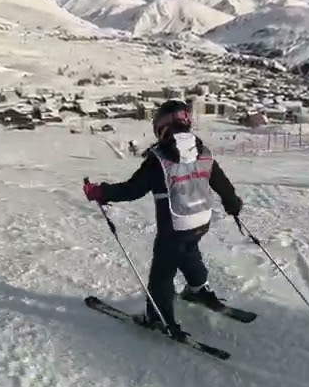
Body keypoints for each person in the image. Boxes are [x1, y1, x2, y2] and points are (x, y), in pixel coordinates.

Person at [82, 100, 243, 340]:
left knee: (162, 273)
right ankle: (198, 289)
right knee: (188, 251)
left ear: (162, 125)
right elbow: (222, 185)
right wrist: (232, 204)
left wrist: (100, 192)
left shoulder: (159, 158)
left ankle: (159, 317)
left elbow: (133, 189)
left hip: (175, 226)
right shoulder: (203, 152)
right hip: (201, 221)